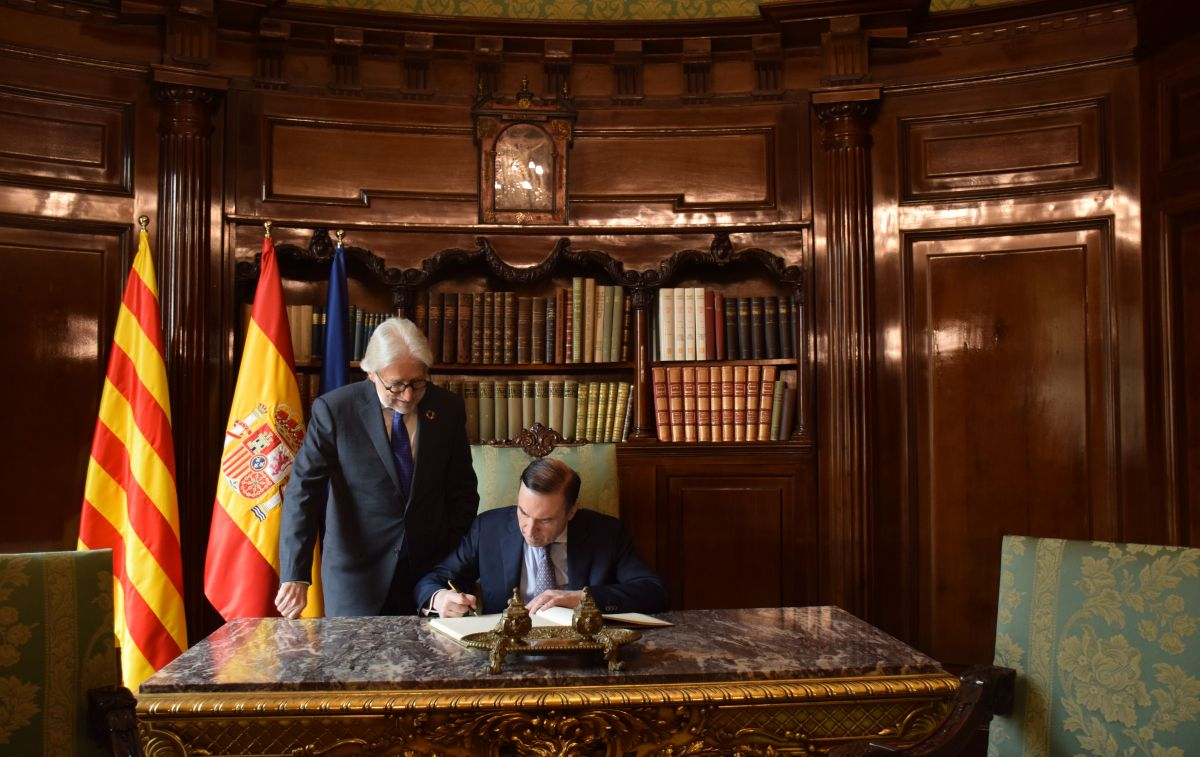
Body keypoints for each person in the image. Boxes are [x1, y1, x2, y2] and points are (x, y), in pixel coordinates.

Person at [276, 317, 479, 617]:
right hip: (357, 576)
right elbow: (303, 492)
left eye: (418, 383)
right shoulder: (335, 411)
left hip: (429, 576)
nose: (409, 396)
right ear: (371, 374)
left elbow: (462, 490)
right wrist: (295, 573)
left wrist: (450, 556)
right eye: (396, 386)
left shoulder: (448, 408)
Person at [416, 458, 669, 617]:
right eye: (523, 512)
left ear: (571, 511)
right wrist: (440, 599)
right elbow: (434, 579)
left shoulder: (606, 533)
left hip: (583, 651)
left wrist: (583, 598)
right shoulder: (488, 529)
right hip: (507, 653)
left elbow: (654, 591)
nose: (528, 528)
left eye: (545, 520)